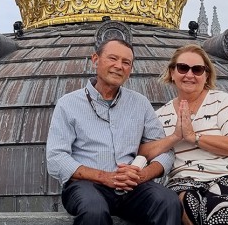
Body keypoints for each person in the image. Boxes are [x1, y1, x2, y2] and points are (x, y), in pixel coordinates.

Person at [46, 38, 182, 225]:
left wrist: (143, 175)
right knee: (93, 211)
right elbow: (56, 158)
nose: (119, 66)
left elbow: (164, 151)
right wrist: (105, 177)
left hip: (133, 186)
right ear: (95, 60)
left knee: (168, 201)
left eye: (126, 62)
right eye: (112, 58)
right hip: (87, 185)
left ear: (130, 69)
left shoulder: (140, 103)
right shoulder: (68, 104)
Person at [139, 44, 228, 225]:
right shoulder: (161, 115)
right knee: (185, 204)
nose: (189, 75)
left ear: (206, 74)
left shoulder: (220, 100)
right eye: (183, 68)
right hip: (186, 183)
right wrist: (175, 137)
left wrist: (194, 137)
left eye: (197, 69)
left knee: (218, 209)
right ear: (172, 72)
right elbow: (143, 151)